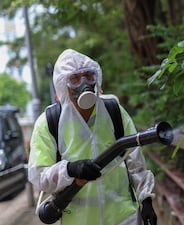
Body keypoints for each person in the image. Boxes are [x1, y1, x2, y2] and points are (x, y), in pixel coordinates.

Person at [28, 49, 157, 225]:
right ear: (63, 84)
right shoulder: (49, 122)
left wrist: (146, 200)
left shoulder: (114, 111)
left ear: (97, 79)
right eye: (75, 78)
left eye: (89, 76)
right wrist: (70, 169)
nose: (84, 84)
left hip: (124, 217)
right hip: (79, 220)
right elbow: (39, 176)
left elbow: (135, 161)